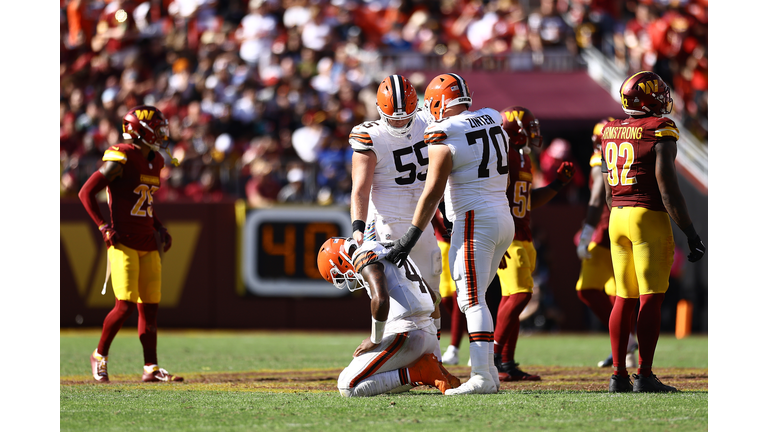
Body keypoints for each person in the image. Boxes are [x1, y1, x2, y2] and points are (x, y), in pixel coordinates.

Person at [386, 73, 513, 395]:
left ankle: (483, 375)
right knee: (478, 298)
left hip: (474, 220)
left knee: (471, 299)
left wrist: (411, 236)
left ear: (442, 103)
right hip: (502, 217)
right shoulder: (493, 118)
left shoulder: (445, 131)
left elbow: (432, 191)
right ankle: (490, 374)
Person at [601, 71, 705, 393]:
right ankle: (644, 374)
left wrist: (618, 211)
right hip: (648, 216)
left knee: (623, 297)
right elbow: (668, 188)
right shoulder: (659, 128)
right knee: (650, 298)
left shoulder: (609, 130)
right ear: (649, 99)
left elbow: (608, 188)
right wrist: (690, 231)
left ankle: (618, 376)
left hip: (616, 215)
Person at [78, 105, 183, 384]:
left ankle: (151, 367)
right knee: (123, 306)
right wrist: (103, 226)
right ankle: (99, 356)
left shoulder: (157, 161)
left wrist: (159, 226)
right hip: (123, 241)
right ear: (142, 130)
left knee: (150, 309)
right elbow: (86, 192)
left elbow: (145, 202)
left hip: (148, 241)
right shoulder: (121, 156)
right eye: (158, 129)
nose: (163, 134)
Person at [349, 74, 444, 343]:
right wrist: (357, 226)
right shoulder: (370, 135)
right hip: (387, 224)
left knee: (432, 296)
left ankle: (433, 354)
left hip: (422, 222)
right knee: (399, 299)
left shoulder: (429, 118)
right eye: (394, 117)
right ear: (380, 112)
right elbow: (360, 187)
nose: (401, 122)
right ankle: (391, 347)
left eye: (406, 115)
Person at [316, 237, 460, 397]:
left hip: (408, 334)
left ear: (339, 261)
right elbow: (433, 299)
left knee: (347, 386)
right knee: (372, 379)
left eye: (341, 275)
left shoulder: (362, 254)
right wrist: (433, 337)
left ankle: (420, 373)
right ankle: (427, 369)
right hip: (427, 336)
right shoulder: (388, 247)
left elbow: (381, 299)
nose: (348, 278)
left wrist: (375, 339)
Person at [492, 106, 574, 382]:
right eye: (529, 126)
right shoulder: (502, 156)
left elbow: (526, 200)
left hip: (524, 233)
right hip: (509, 234)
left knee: (513, 298)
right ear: (515, 129)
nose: (534, 132)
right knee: (520, 295)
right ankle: (492, 356)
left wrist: (556, 186)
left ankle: (507, 362)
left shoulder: (525, 159)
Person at [574, 118, 638, 369]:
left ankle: (625, 344)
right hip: (614, 227)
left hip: (607, 230)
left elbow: (598, 196)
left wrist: (588, 231)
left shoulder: (601, 159)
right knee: (605, 292)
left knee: (612, 293)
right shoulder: (626, 155)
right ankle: (626, 342)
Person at [435, 205, 466, 366]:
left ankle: (454, 348)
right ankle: (479, 337)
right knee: (446, 299)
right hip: (441, 247)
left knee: (458, 298)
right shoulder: (432, 190)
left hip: (459, 245)